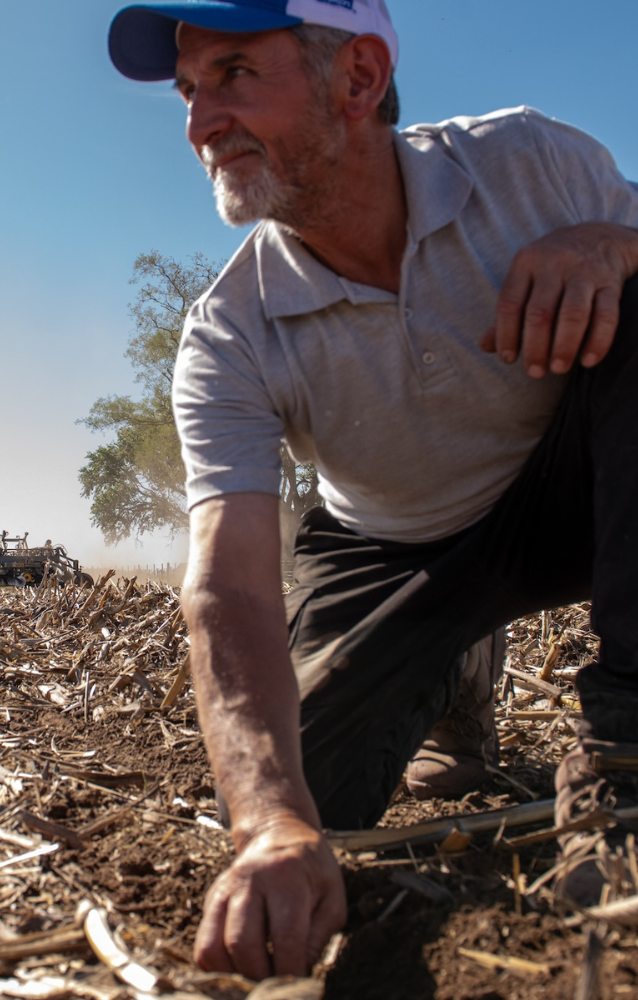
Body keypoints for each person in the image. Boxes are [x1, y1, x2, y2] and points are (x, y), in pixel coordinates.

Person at [107, 0, 638, 981]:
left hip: (580, 492)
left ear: (355, 78)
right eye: (187, 92)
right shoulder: (227, 336)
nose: (196, 124)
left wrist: (613, 247)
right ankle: (451, 667)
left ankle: (625, 757)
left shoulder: (529, 162)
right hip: (392, 556)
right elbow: (226, 591)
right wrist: (269, 825)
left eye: (231, 74)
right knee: (306, 802)